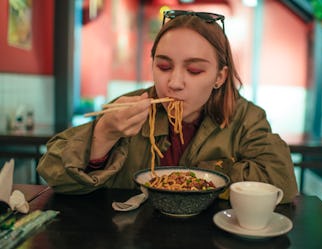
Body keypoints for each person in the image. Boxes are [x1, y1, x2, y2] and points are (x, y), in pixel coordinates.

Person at [37, 10, 298, 203]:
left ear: (220, 76)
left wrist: (195, 176)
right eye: (163, 67)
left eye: (194, 70)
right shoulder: (129, 108)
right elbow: (53, 174)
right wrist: (104, 134)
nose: (174, 83)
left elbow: (282, 182)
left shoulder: (246, 117)